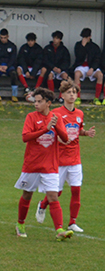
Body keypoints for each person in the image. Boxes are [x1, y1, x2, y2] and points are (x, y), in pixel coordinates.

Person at [35, 81, 95, 233]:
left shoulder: (79, 113)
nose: (72, 95)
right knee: (57, 192)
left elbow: (78, 130)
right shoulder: (56, 113)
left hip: (75, 158)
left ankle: (72, 222)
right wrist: (59, 138)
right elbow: (49, 131)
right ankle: (42, 205)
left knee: (76, 190)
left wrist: (86, 133)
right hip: (59, 159)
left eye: (74, 92)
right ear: (62, 95)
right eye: (69, 92)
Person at [14, 87, 73, 240]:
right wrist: (44, 129)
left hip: (50, 166)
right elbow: (25, 137)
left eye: (39, 101)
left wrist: (56, 126)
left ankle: (59, 230)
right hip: (32, 164)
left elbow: (65, 138)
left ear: (48, 103)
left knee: (53, 196)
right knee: (27, 194)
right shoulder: (31, 117)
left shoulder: (56, 117)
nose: (36, 104)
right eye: (35, 101)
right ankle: (20, 223)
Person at [70, 28, 103, 104]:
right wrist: (83, 47)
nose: (84, 39)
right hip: (81, 66)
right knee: (77, 74)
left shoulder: (95, 47)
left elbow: (97, 59)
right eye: (83, 37)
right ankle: (77, 97)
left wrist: (92, 68)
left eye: (86, 37)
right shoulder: (78, 45)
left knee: (100, 75)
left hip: (92, 66)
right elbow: (78, 57)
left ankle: (96, 98)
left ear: (90, 37)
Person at [0, 28, 18, 102]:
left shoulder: (12, 46)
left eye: (4, 38)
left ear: (8, 36)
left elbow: (13, 59)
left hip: (8, 66)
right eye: (1, 38)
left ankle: (14, 95)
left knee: (13, 74)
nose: (3, 39)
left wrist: (7, 66)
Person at [16, 33, 45, 101]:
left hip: (35, 68)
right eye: (29, 41)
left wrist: (33, 73)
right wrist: (26, 71)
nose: (30, 42)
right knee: (18, 69)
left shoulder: (39, 49)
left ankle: (36, 88)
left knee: (44, 70)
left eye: (32, 41)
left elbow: (39, 61)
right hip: (26, 67)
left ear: (35, 41)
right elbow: (21, 60)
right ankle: (26, 87)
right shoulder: (23, 48)